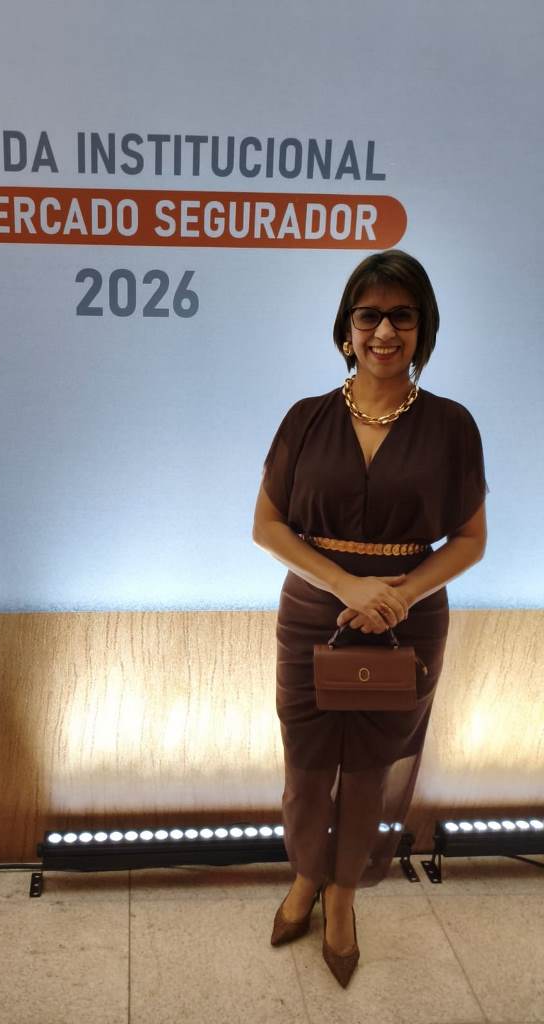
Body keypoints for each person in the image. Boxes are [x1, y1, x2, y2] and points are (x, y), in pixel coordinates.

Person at [251, 249, 488, 987]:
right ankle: (305, 877)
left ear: (423, 329)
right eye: (370, 316)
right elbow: (267, 527)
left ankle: (344, 896)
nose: (385, 332)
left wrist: (400, 595)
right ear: (346, 329)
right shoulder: (306, 418)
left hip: (406, 619)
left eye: (402, 317)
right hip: (313, 613)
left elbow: (471, 540)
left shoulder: (452, 425)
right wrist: (347, 585)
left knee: (368, 771)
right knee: (306, 765)